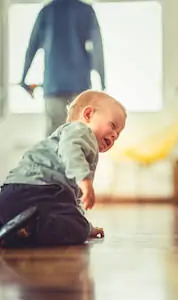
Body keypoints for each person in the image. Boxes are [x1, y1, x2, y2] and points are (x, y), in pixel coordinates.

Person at [0, 90, 126, 247]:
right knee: (77, 228)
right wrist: (85, 180)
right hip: (38, 190)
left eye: (118, 134)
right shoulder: (80, 130)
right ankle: (30, 229)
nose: (114, 135)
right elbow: (70, 150)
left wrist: (88, 226)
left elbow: (71, 202)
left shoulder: (71, 137)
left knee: (70, 214)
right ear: (88, 114)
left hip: (11, 194)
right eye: (113, 125)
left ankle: (10, 228)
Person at [20, 0, 105, 136]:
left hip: (53, 86)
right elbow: (97, 49)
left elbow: (32, 47)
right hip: (80, 87)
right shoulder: (86, 11)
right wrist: (102, 82)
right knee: (79, 139)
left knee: (54, 140)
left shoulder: (47, 11)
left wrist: (23, 79)